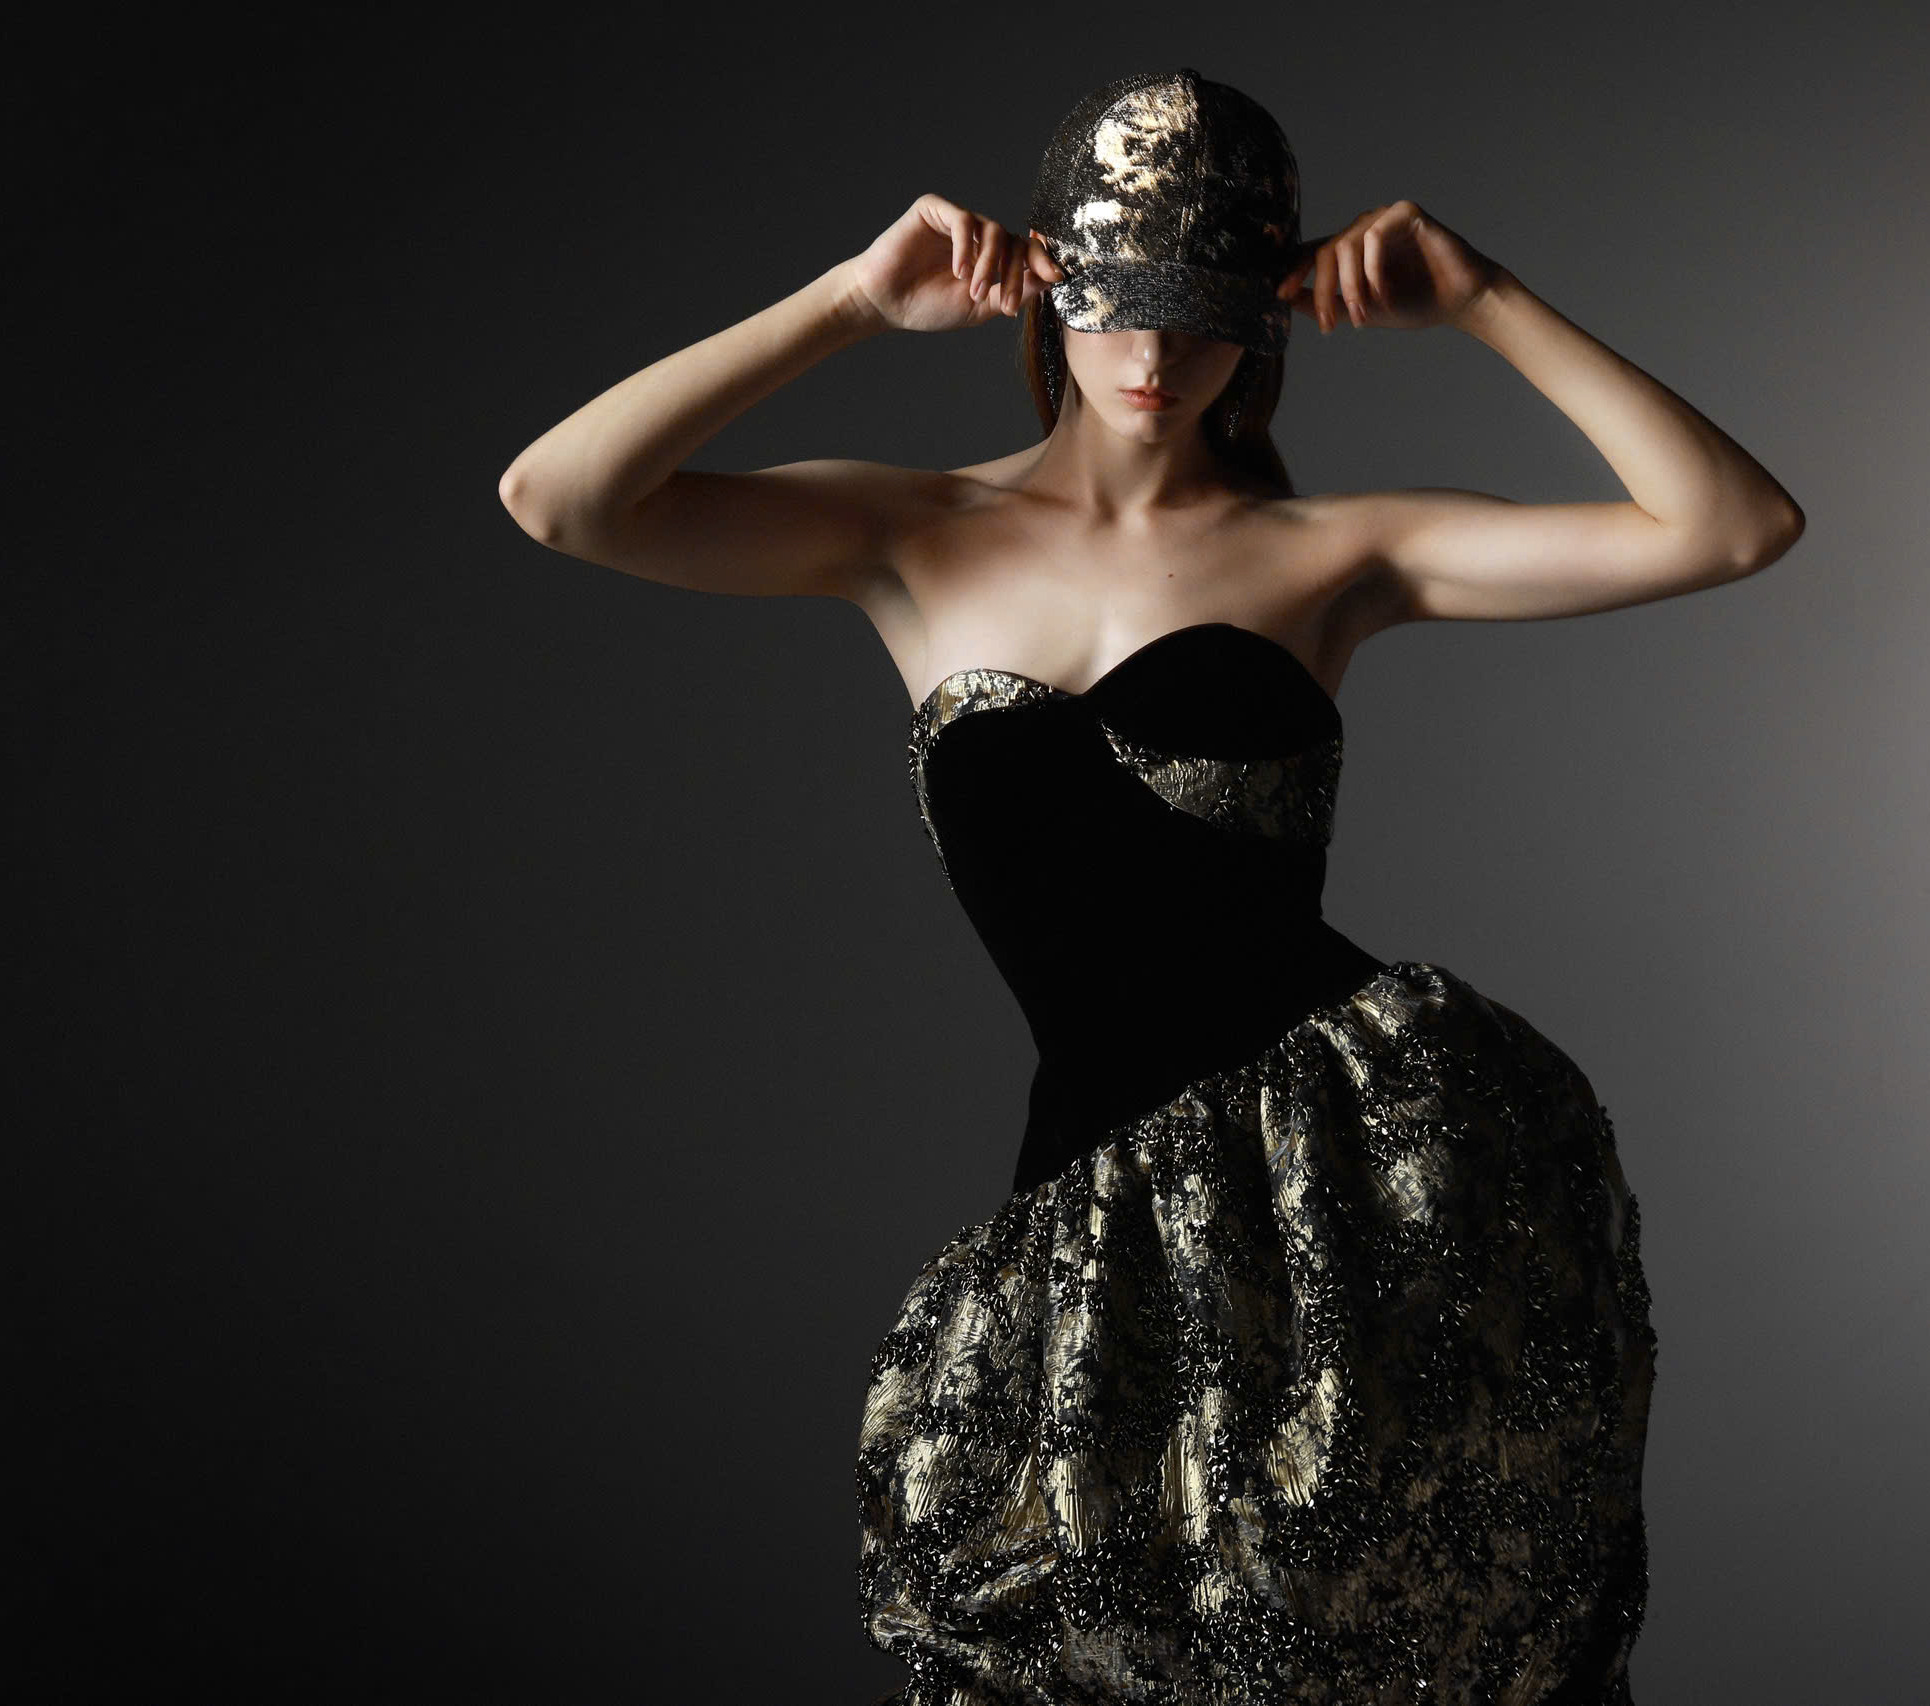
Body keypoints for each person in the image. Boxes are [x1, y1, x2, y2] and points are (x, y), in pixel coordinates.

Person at [502, 63, 1800, 1706]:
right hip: (1100, 1203)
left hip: (1357, 1175)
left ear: (1267, 318)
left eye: (1207, 314)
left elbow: (1732, 525)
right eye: (1123, 303)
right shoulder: (914, 534)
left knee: (1358, 1631)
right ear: (1049, 283)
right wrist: (850, 301)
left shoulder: (1335, 552)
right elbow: (561, 498)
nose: (1159, 356)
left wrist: (1486, 300)